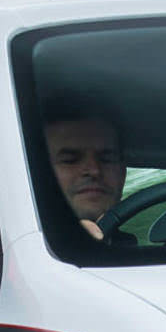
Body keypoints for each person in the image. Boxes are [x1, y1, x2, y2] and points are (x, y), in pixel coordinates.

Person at [41, 98, 124, 239]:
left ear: (123, 173)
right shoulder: (21, 251)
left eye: (107, 159)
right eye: (70, 160)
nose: (94, 170)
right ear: (40, 174)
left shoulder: (135, 250)